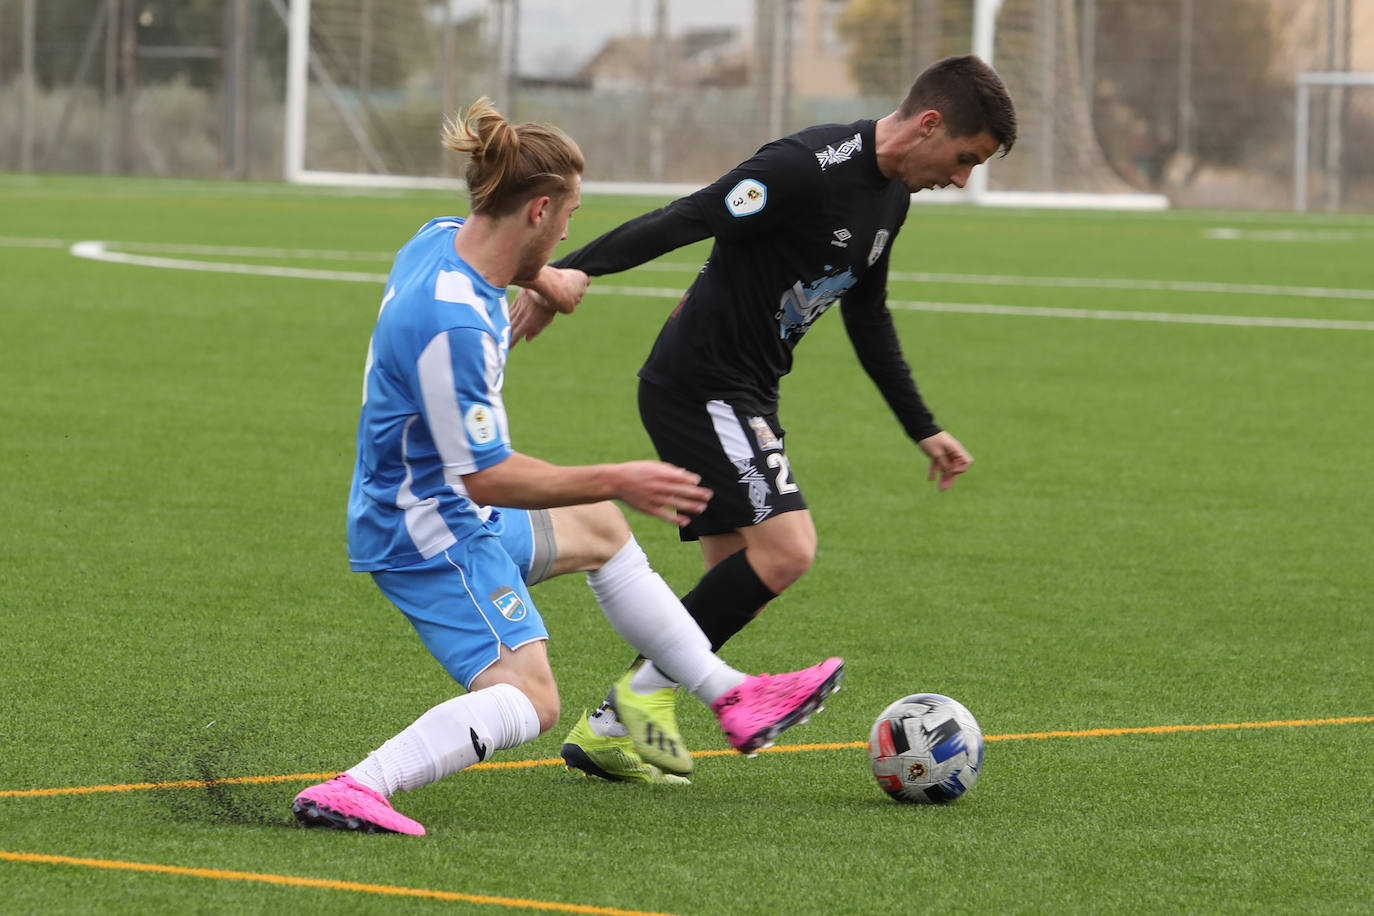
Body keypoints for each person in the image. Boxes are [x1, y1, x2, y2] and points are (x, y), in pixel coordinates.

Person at [291, 99, 844, 835]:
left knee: (600, 531)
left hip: (436, 502)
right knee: (534, 699)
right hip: (427, 530)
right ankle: (358, 785)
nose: (568, 231)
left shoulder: (437, 244)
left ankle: (731, 696)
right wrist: (617, 474)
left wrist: (546, 281)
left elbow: (482, 255)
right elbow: (485, 478)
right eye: (570, 217)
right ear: (541, 209)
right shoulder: (452, 325)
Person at [508, 55, 1017, 783]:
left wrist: (921, 425)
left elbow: (868, 316)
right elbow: (688, 216)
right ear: (930, 124)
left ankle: (618, 729)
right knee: (787, 549)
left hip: (744, 391)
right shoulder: (807, 166)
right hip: (702, 384)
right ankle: (620, 715)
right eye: (964, 159)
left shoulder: (891, 203)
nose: (962, 179)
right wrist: (564, 271)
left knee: (734, 581)